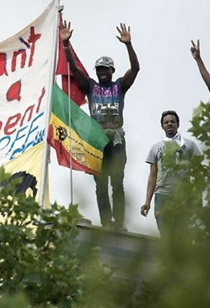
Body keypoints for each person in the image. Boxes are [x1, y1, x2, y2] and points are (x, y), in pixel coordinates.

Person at [60, 21, 140, 231]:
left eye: (105, 69)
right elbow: (73, 69)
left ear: (112, 70)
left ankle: (120, 224)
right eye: (99, 69)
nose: (102, 72)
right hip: (96, 140)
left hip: (117, 139)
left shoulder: (119, 85)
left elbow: (136, 68)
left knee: (117, 182)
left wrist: (128, 45)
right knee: (100, 184)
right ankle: (106, 223)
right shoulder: (90, 86)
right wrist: (66, 45)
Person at [140, 110, 202, 235]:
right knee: (166, 233)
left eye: (172, 122)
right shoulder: (156, 148)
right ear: (162, 126)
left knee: (182, 233)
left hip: (183, 195)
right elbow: (152, 176)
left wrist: (198, 196)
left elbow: (198, 173)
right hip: (162, 195)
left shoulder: (189, 145)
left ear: (178, 124)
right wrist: (147, 201)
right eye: (166, 122)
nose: (169, 124)